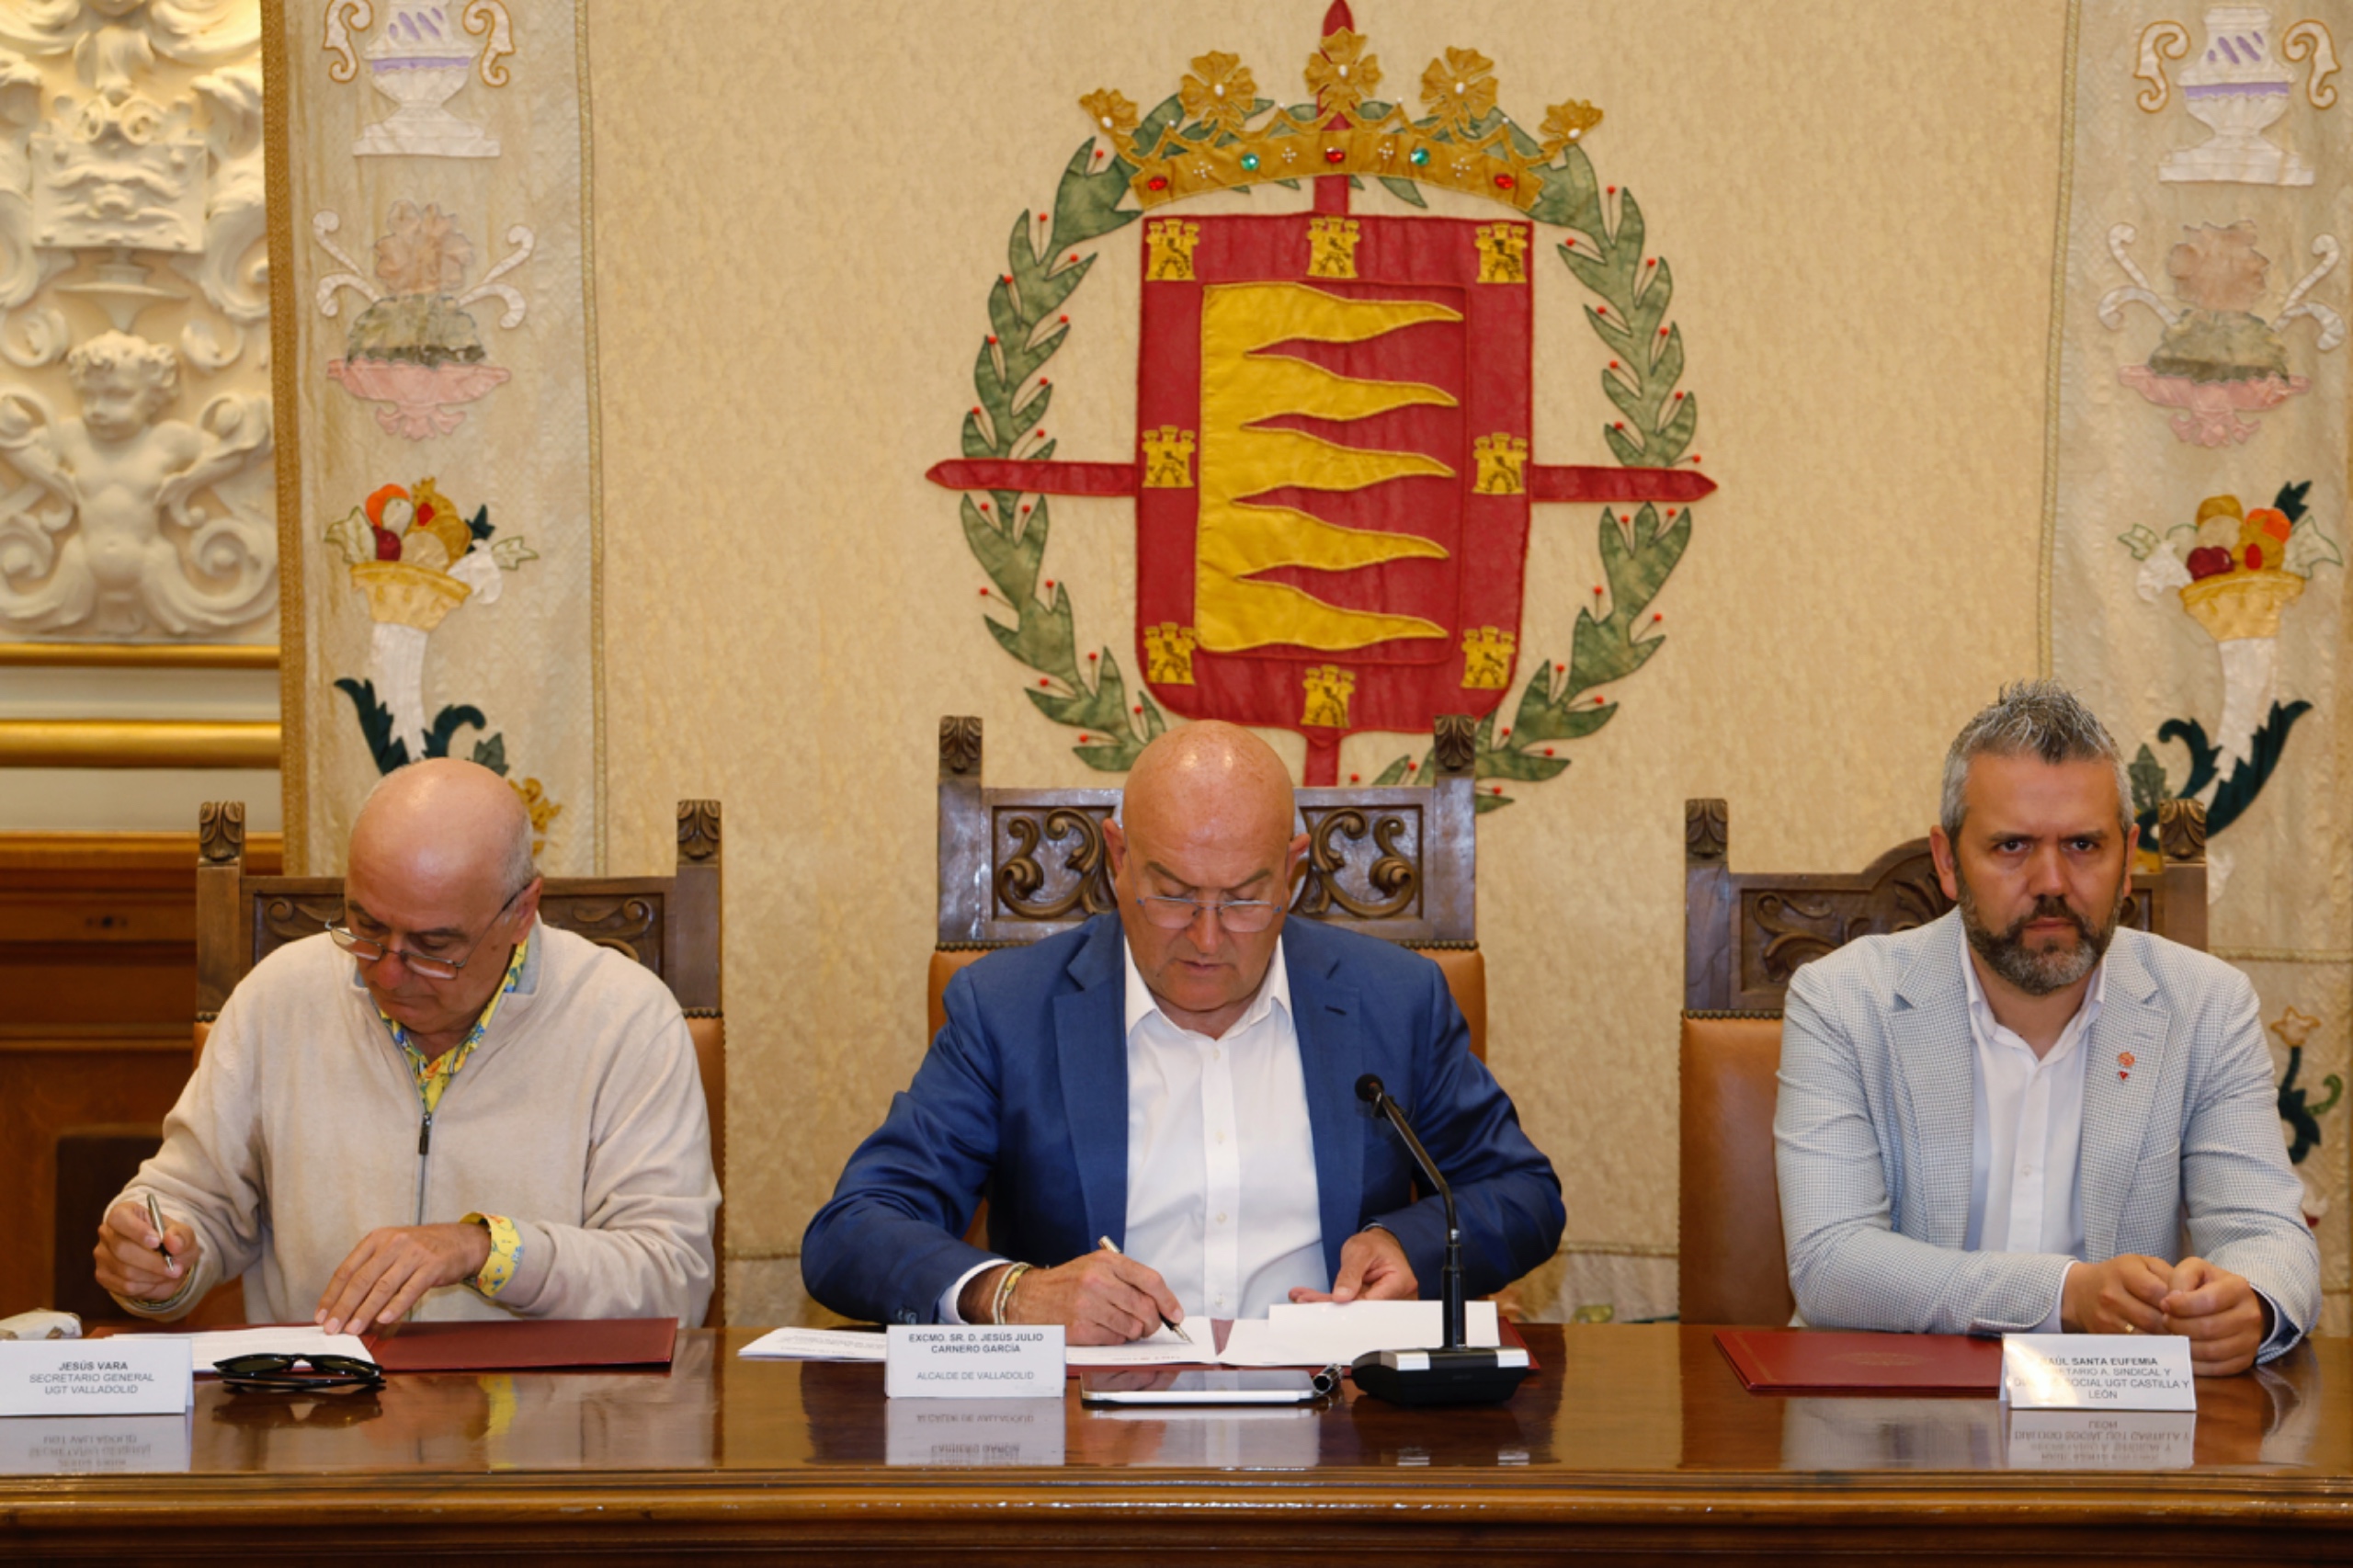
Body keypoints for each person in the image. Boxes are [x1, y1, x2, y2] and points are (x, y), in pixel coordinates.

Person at [802, 722, 1563, 1341]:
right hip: (1089, 1437)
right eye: (1171, 895)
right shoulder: (1007, 1010)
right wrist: (1013, 1295)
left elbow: (1522, 1192)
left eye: (1243, 899)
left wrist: (1409, 1245)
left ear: (1293, 872)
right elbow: (854, 1229)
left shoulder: (1395, 1001)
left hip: (1338, 1426)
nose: (1205, 937)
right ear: (1118, 860)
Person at [1775, 681, 2319, 1373]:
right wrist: (2065, 1294)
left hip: (2119, 1418)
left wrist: (2251, 1304)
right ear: (1947, 862)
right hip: (1893, 1405)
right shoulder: (1842, 1001)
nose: (2052, 881)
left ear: (2128, 858)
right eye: (2012, 846)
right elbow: (1830, 1263)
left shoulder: (2207, 1005)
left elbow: (2268, 1233)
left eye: (2084, 845)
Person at [94, 759, 719, 1330]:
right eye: (366, 927)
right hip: (318, 1405)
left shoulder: (624, 1019)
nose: (389, 973)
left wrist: (487, 1250)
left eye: (435, 946)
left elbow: (673, 1281)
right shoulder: (280, 997)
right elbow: (192, 1203)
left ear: (522, 911)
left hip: (547, 1410)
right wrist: (156, 1253)